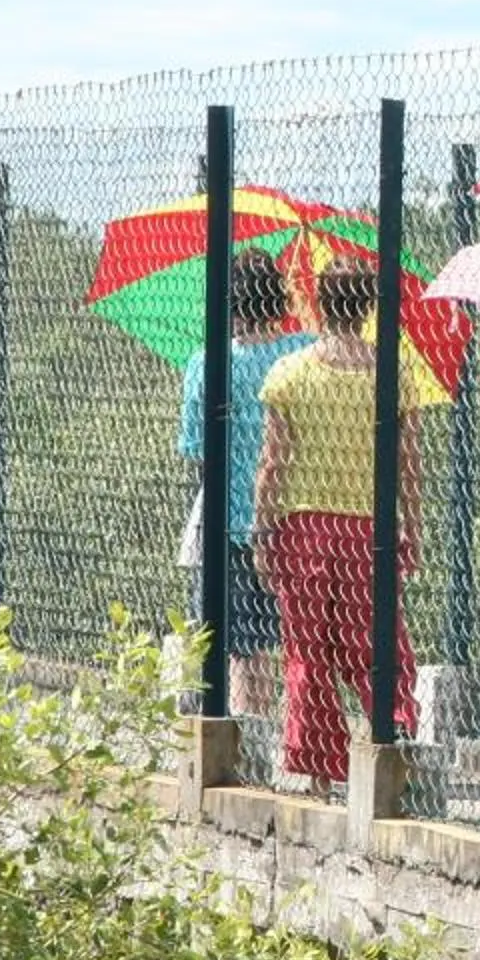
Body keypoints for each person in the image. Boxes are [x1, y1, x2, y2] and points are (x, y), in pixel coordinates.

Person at [252, 264, 427, 788]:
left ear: (318, 303)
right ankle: (393, 732)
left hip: (303, 529)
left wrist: (262, 531)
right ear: (369, 306)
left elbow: (273, 462)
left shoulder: (289, 373)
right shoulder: (393, 375)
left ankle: (320, 771)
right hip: (369, 529)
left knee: (308, 650)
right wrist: (413, 525)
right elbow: (409, 461)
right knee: (376, 642)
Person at [177, 248, 308, 718]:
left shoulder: (206, 361)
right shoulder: (300, 354)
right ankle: (266, 728)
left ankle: (234, 734)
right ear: (277, 298)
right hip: (291, 514)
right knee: (277, 639)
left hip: (226, 518)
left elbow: (194, 447)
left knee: (231, 642)